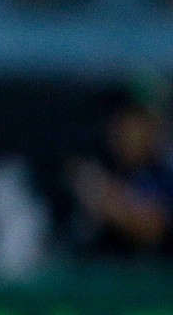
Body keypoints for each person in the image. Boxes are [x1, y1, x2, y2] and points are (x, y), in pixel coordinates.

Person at [69, 83, 173, 259]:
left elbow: (151, 229)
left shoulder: (164, 175)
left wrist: (104, 197)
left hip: (150, 280)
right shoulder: (99, 162)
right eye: (120, 121)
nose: (126, 131)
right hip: (88, 277)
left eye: (136, 121)